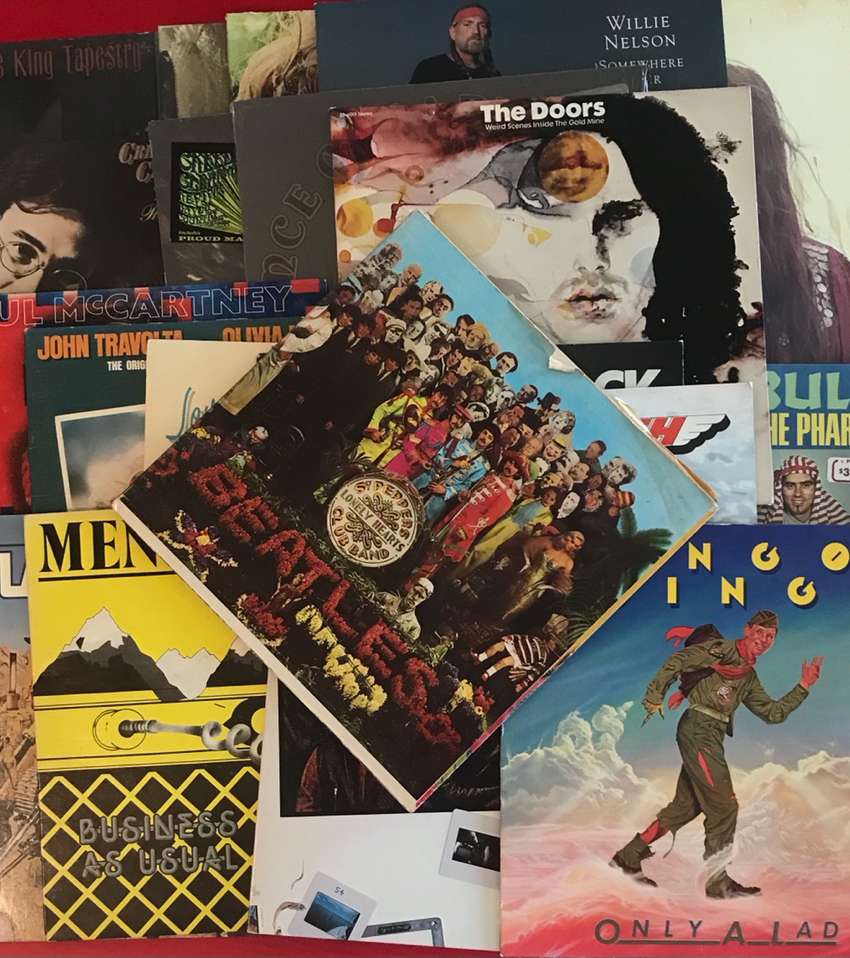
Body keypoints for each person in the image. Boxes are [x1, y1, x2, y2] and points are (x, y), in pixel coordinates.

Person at [610, 610, 824, 899]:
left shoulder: (748, 676)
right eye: (760, 632)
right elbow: (678, 661)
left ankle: (627, 857)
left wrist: (804, 686)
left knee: (686, 807)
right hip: (699, 731)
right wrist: (654, 696)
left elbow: (772, 713)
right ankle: (717, 882)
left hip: (712, 735)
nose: (764, 639)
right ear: (747, 630)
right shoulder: (721, 649)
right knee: (725, 807)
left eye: (770, 636)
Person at [410, 5, 499, 84]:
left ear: (488, 35)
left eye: (482, 26)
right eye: (467, 24)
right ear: (453, 32)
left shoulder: (493, 76)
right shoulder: (429, 68)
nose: (476, 31)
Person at [758, 455, 850, 525]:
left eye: (806, 485)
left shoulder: (836, 519)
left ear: (816, 489)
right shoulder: (764, 519)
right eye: (790, 486)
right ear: (781, 489)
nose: (798, 494)